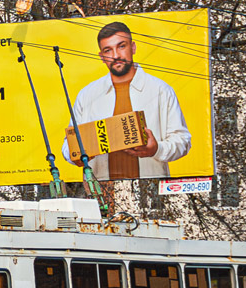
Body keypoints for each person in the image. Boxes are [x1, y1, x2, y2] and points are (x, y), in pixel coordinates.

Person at [63, 21, 193, 180]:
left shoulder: (161, 90)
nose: (116, 55)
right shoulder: (87, 95)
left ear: (133, 47)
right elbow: (68, 146)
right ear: (102, 57)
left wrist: (156, 149)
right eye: (108, 50)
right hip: (101, 192)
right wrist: (76, 156)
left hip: (149, 190)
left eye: (121, 46)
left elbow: (182, 141)